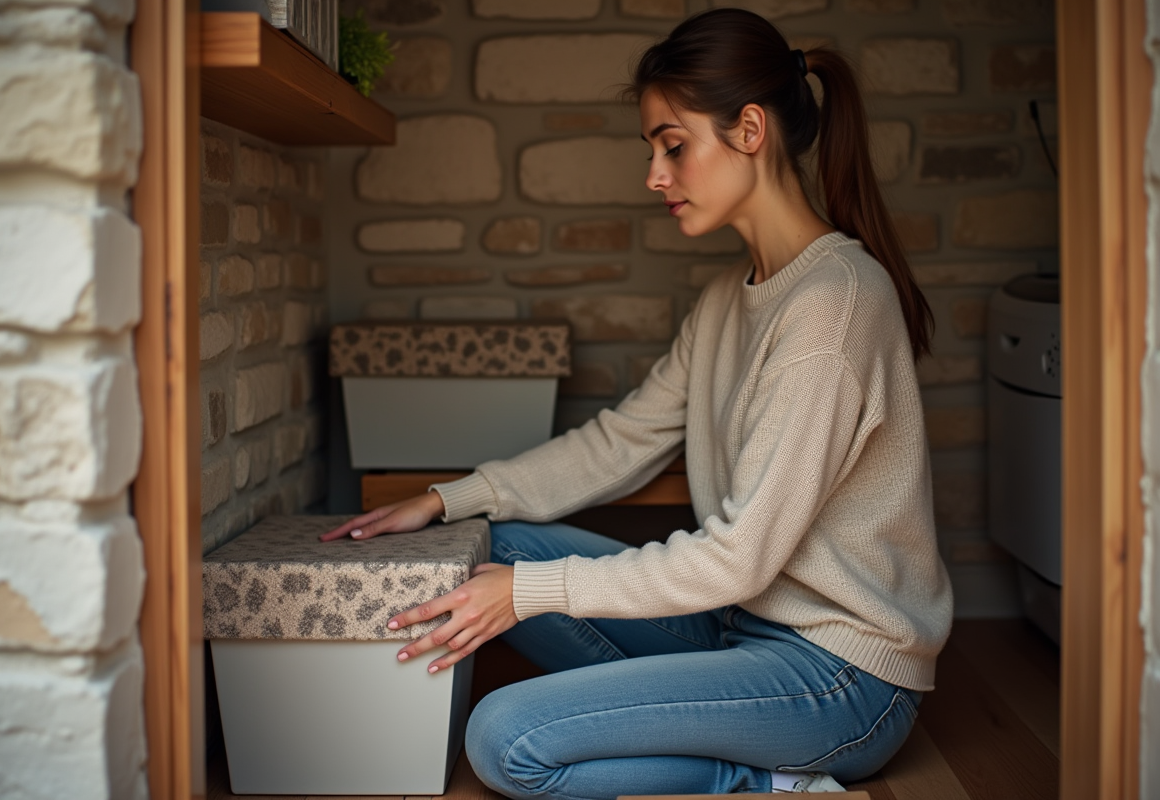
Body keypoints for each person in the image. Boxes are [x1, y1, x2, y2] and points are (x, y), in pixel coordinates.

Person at [321, 7, 952, 797]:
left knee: (506, 739)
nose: (655, 175)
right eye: (652, 150)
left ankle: (772, 783)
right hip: (742, 627)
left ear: (750, 130)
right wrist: (450, 498)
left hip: (839, 678)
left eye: (673, 146)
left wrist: (529, 597)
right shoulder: (728, 300)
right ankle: (748, 755)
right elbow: (619, 442)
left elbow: (739, 556)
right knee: (499, 544)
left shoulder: (834, 307)